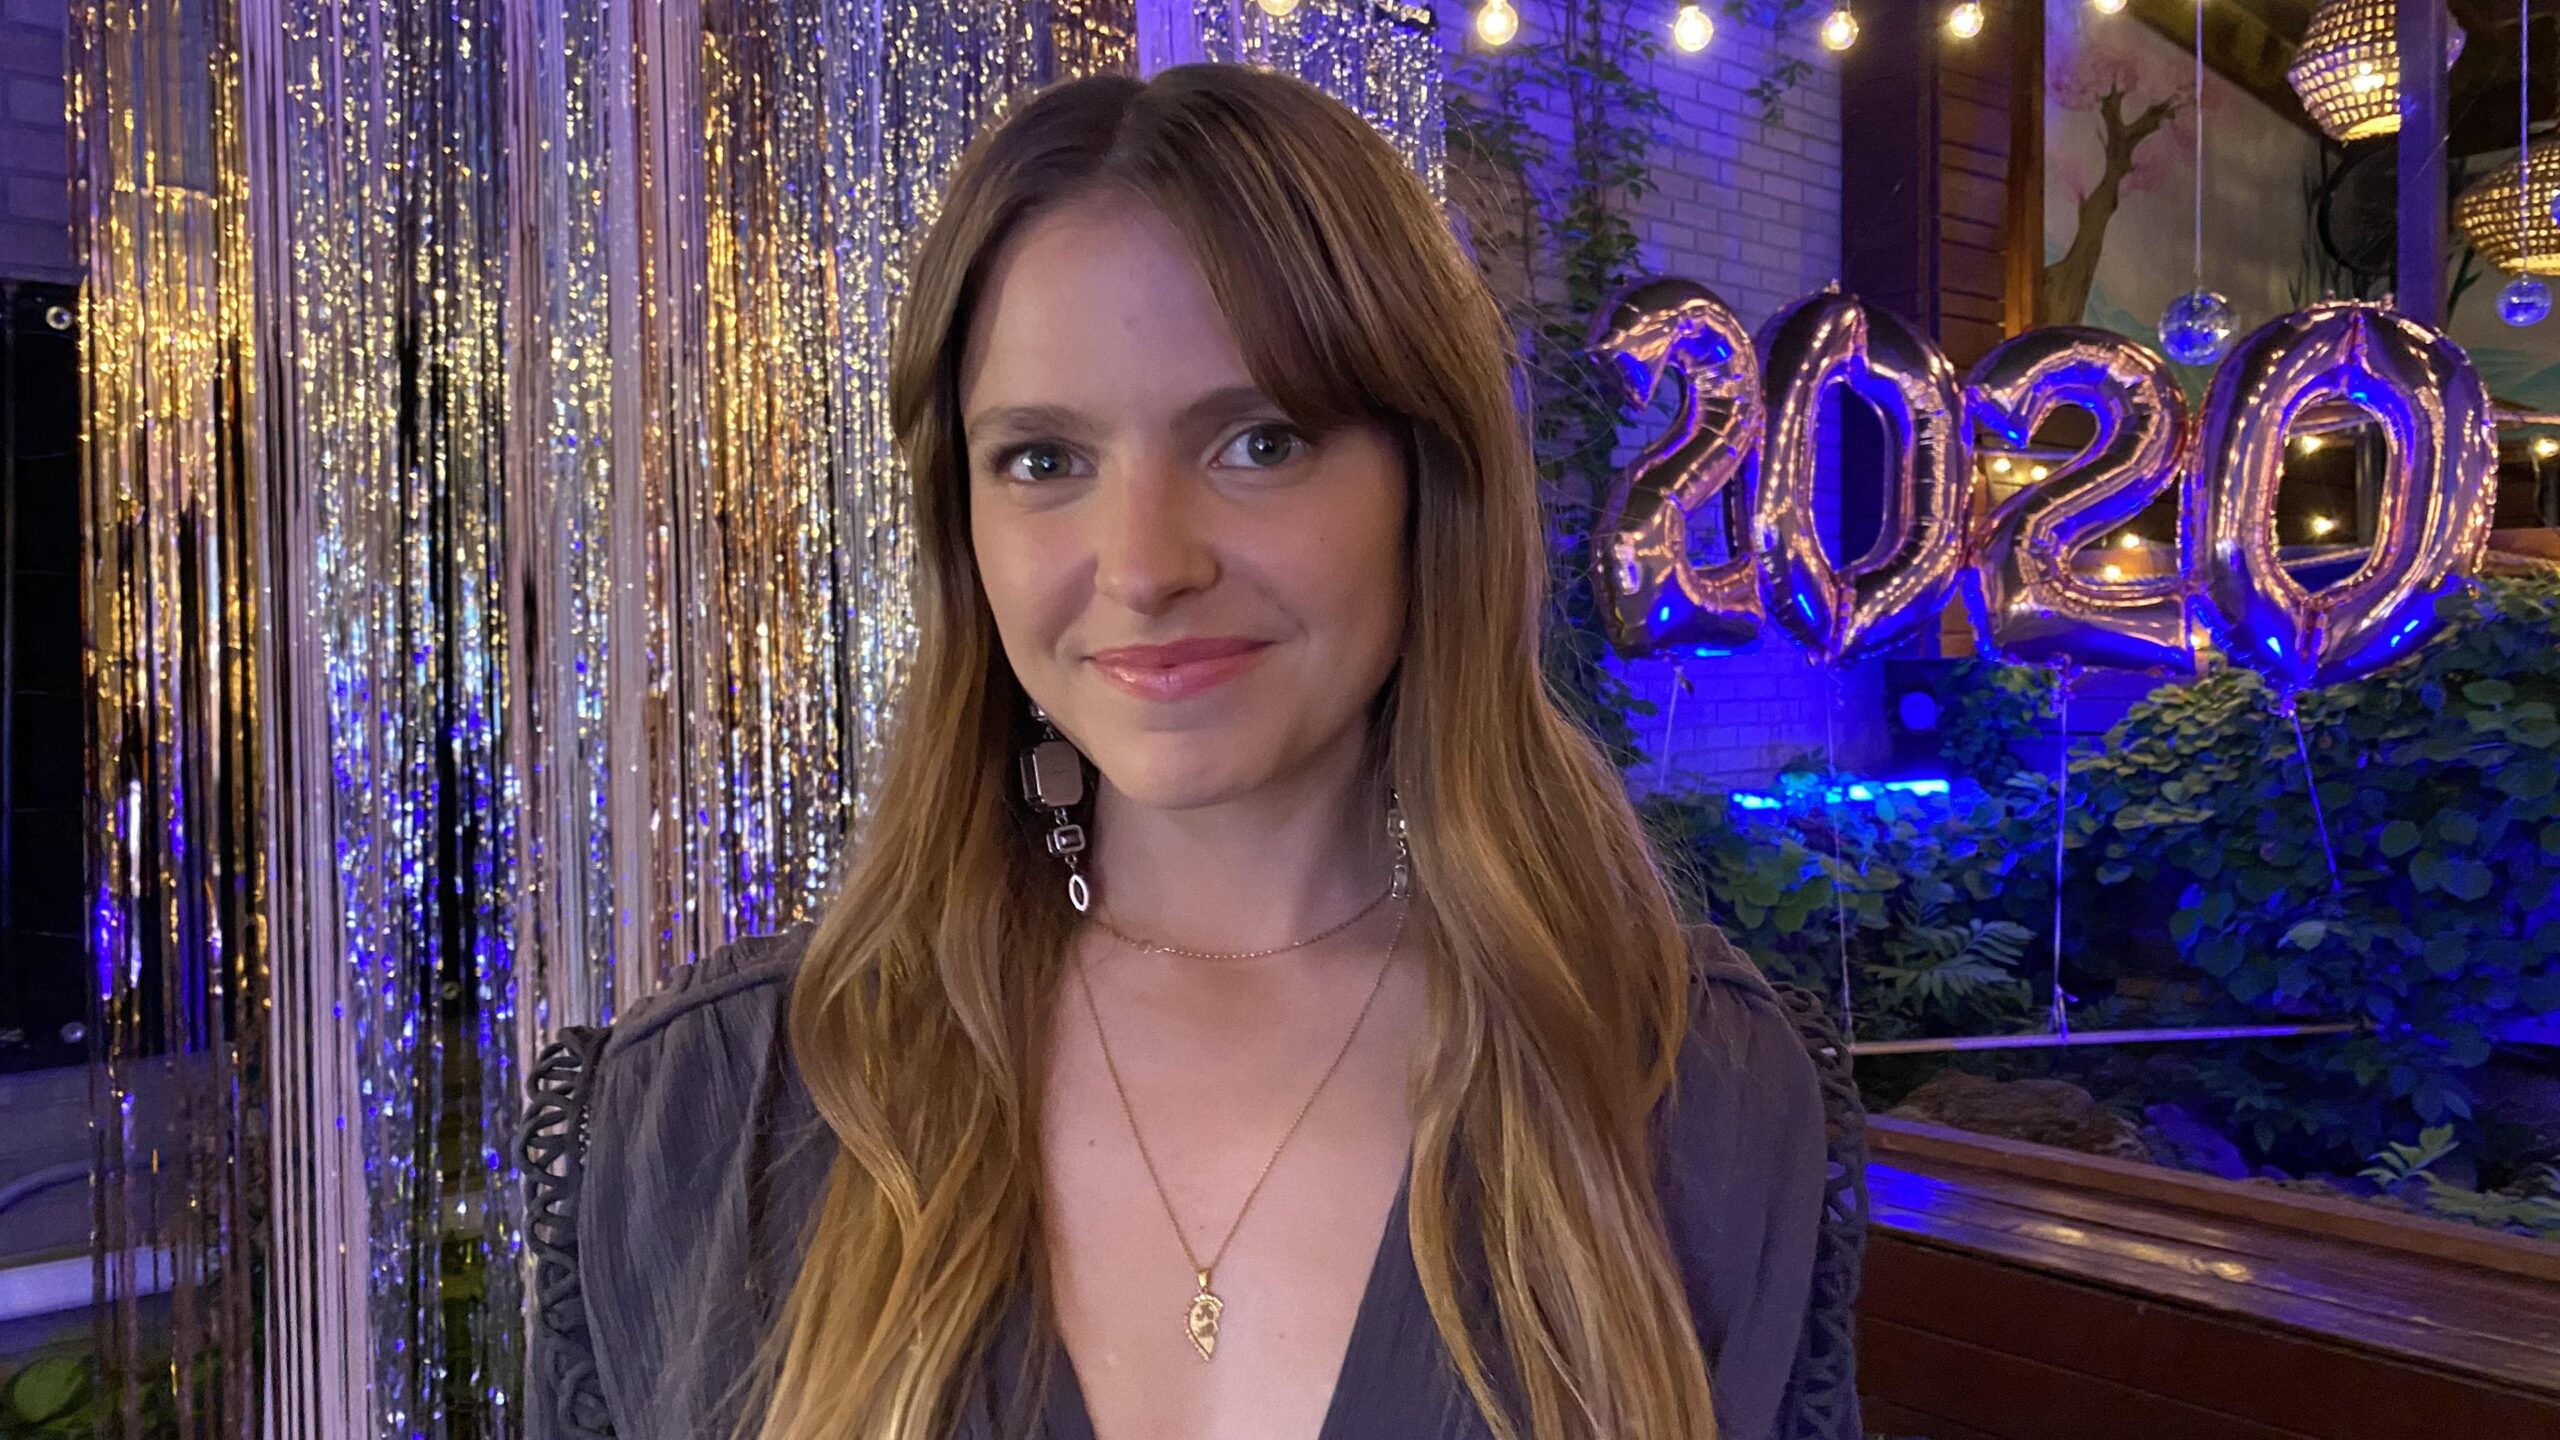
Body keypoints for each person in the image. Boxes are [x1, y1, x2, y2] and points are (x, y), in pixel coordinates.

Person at [520, 61, 1826, 1440]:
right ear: (964, 524)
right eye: (1044, 460)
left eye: (1259, 443)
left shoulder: (1692, 1089)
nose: (1144, 566)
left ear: (1430, 483)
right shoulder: (701, 1117)